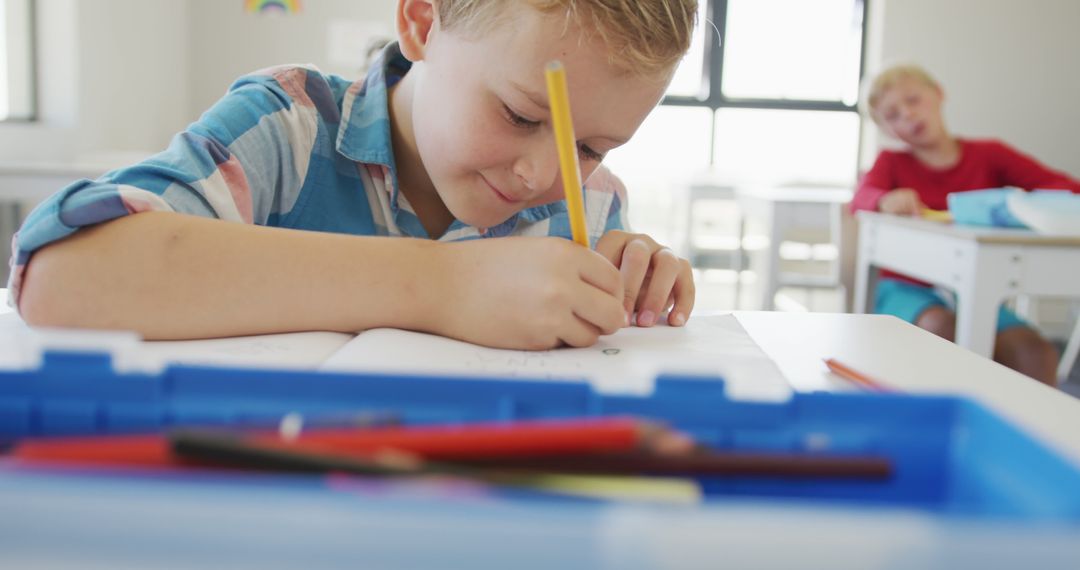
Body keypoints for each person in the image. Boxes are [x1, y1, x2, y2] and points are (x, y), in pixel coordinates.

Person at [8, 0, 699, 350]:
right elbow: (64, 276)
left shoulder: (593, 208)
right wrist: (446, 287)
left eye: (593, 147)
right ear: (423, 22)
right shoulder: (287, 127)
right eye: (521, 115)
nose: (542, 176)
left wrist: (631, 284)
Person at [852, 63, 1080, 386]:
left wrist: (1022, 203)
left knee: (1035, 352)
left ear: (938, 94)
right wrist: (883, 200)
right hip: (905, 288)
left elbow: (1062, 186)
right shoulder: (892, 164)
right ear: (887, 129)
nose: (907, 115)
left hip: (975, 289)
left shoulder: (990, 154)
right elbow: (860, 197)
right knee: (938, 328)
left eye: (913, 100)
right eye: (892, 115)